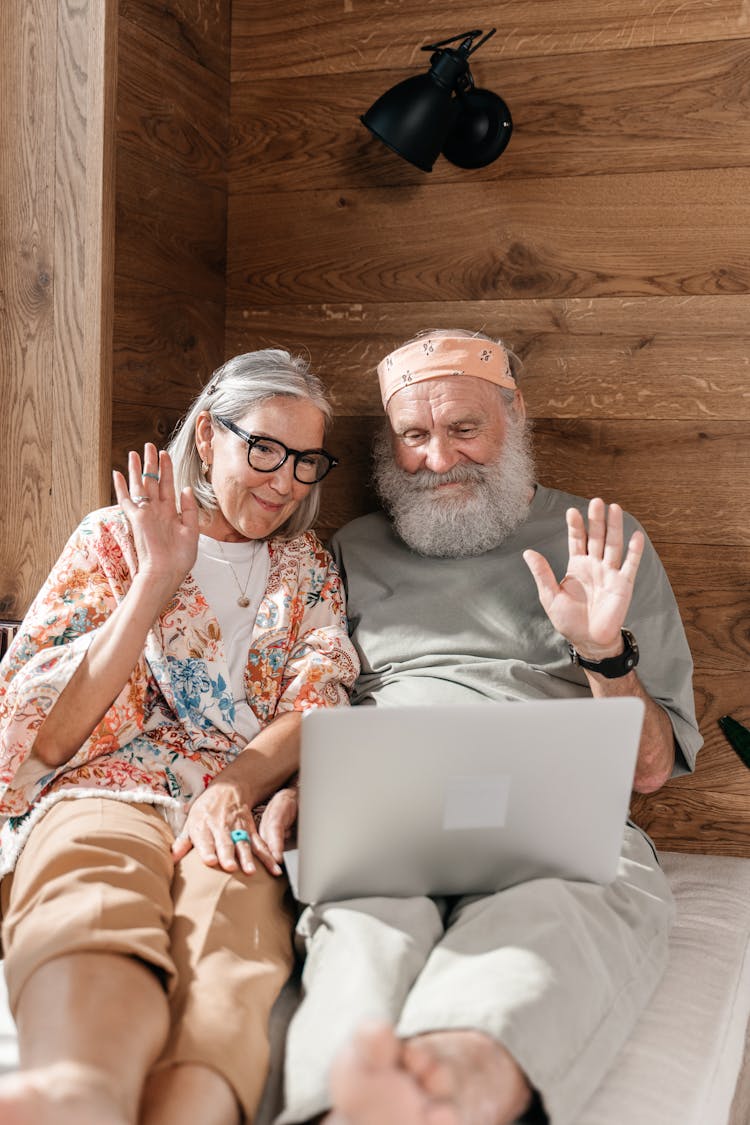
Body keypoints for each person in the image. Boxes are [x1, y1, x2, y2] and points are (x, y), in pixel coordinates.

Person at [275, 331, 702, 1125]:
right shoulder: (348, 551)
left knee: (531, 942)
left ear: (516, 419)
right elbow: (310, 697)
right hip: (390, 823)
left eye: (464, 429)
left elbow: (646, 770)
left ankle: (438, 1101)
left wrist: (603, 651)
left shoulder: (601, 541)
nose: (439, 459)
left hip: (558, 835)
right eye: (414, 436)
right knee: (365, 945)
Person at [0, 350, 359, 1125]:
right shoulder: (112, 539)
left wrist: (233, 787)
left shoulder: (306, 569)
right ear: (206, 437)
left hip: (239, 793)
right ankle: (76, 1093)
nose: (285, 480)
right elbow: (44, 738)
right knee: (91, 893)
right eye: (264, 448)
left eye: (306, 461)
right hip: (107, 781)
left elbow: (316, 703)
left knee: (233, 940)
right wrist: (157, 578)